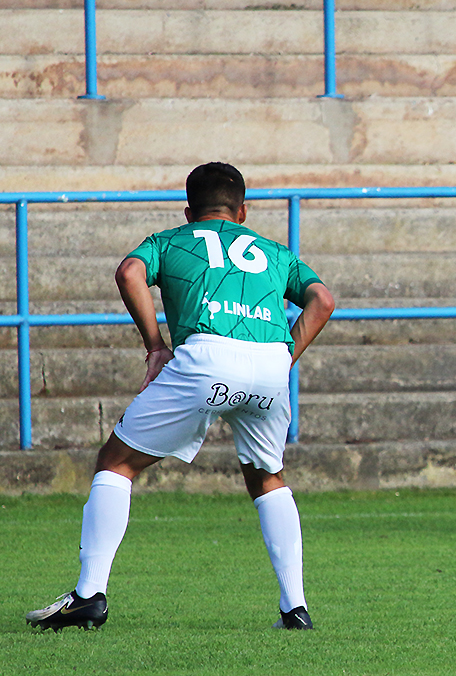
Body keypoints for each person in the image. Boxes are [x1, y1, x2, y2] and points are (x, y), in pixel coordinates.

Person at [26, 162, 335, 630]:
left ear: (189, 212)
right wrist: (283, 359)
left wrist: (155, 346)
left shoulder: (170, 241)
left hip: (207, 356)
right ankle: (295, 609)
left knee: (116, 462)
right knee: (267, 477)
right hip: (272, 362)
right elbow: (323, 300)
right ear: (243, 211)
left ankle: (89, 595)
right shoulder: (275, 251)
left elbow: (130, 272)